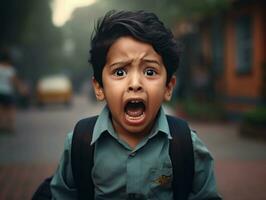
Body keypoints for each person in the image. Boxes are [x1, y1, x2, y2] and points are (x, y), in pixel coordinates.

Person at [50, 10, 222, 199]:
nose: (135, 84)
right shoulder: (79, 143)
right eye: (120, 72)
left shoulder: (186, 145)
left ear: (168, 87)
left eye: (149, 72)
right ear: (99, 88)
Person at [0, 48, 24, 133]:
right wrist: (21, 88)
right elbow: (14, 81)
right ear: (8, 60)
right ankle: (10, 128)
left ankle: (2, 127)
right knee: (11, 110)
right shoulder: (9, 69)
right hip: (7, 92)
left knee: (1, 111)